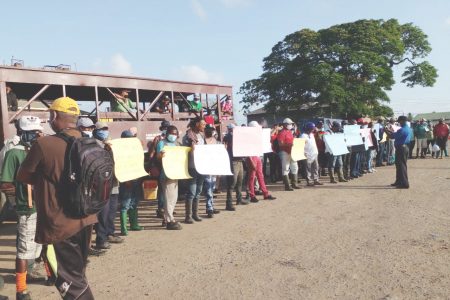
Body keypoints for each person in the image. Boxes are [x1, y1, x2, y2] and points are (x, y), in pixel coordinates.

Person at [17, 97, 97, 299]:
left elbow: (23, 176)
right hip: (86, 218)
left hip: (60, 223)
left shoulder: (44, 144)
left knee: (70, 282)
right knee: (77, 273)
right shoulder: (91, 142)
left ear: (54, 116)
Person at [0, 116, 43, 300]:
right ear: (23, 132)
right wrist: (18, 202)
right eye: (33, 132)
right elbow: (6, 183)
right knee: (24, 249)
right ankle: (21, 290)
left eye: (37, 131)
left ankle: (48, 274)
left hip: (44, 206)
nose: (36, 135)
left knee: (43, 244)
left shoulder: (38, 150)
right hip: (27, 208)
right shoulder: (14, 153)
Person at [92, 122, 123, 249]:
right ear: (96, 131)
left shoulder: (110, 144)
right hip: (102, 183)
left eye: (106, 129)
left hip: (114, 181)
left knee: (112, 210)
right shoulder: (94, 144)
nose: (105, 131)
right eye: (102, 129)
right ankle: (101, 238)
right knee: (103, 212)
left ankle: (110, 232)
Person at [156, 125, 182, 230]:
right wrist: (160, 155)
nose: (173, 135)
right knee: (168, 199)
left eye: (175, 133)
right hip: (166, 174)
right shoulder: (162, 143)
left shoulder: (176, 144)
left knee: (173, 199)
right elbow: (158, 157)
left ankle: (167, 218)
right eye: (172, 133)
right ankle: (169, 220)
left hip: (176, 174)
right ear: (167, 133)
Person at [119, 130, 144, 235]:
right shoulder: (120, 151)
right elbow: (120, 166)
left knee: (134, 203)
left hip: (136, 178)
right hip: (127, 180)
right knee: (125, 204)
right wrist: (125, 179)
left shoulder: (135, 149)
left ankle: (134, 224)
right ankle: (124, 228)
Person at [182, 117, 206, 223]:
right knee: (191, 192)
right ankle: (188, 216)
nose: (204, 126)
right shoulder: (188, 136)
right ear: (197, 124)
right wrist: (191, 149)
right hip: (192, 167)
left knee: (198, 191)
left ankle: (195, 214)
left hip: (201, 167)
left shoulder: (202, 135)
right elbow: (184, 151)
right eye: (203, 124)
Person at [246, 121, 276, 202]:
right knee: (252, 177)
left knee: (260, 176)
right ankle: (252, 195)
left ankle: (265, 193)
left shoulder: (256, 136)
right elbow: (247, 150)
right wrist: (251, 160)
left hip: (257, 156)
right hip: (252, 156)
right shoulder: (248, 138)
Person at [148, 120, 171, 218]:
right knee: (162, 190)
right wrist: (151, 165)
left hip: (170, 165)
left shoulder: (171, 139)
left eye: (167, 128)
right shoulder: (158, 138)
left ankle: (168, 209)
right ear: (162, 129)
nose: (166, 129)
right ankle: (160, 209)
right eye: (164, 128)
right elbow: (152, 152)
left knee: (169, 189)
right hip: (160, 165)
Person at [223, 124, 247, 209]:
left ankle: (239, 198)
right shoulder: (228, 137)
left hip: (239, 161)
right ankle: (229, 203)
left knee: (239, 181)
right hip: (233, 161)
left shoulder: (237, 136)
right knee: (232, 182)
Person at [386, 116, 411, 189]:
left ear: (403, 121)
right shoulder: (407, 128)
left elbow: (392, 136)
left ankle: (404, 183)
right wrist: (389, 131)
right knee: (399, 165)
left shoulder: (402, 129)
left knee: (401, 166)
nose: (398, 123)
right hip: (403, 147)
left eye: (399, 121)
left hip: (401, 148)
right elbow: (395, 134)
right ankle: (399, 181)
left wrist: (385, 131)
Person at [203, 127, 222, 217]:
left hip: (214, 167)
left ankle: (211, 206)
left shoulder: (217, 142)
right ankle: (209, 208)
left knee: (212, 187)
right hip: (207, 168)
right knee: (208, 188)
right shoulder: (203, 142)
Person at [277, 118, 300, 191]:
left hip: (292, 152)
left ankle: (294, 184)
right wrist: (289, 144)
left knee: (295, 167)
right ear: (285, 125)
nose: (291, 125)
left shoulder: (289, 132)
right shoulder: (281, 133)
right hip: (285, 152)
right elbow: (280, 144)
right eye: (290, 124)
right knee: (285, 168)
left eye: (291, 124)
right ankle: (287, 186)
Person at [301, 122, 322, 186]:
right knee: (308, 168)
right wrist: (303, 153)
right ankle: (309, 181)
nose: (313, 129)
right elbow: (301, 145)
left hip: (314, 153)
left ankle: (316, 180)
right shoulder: (302, 136)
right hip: (307, 154)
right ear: (309, 129)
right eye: (312, 128)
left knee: (316, 167)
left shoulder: (312, 134)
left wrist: (318, 132)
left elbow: (319, 138)